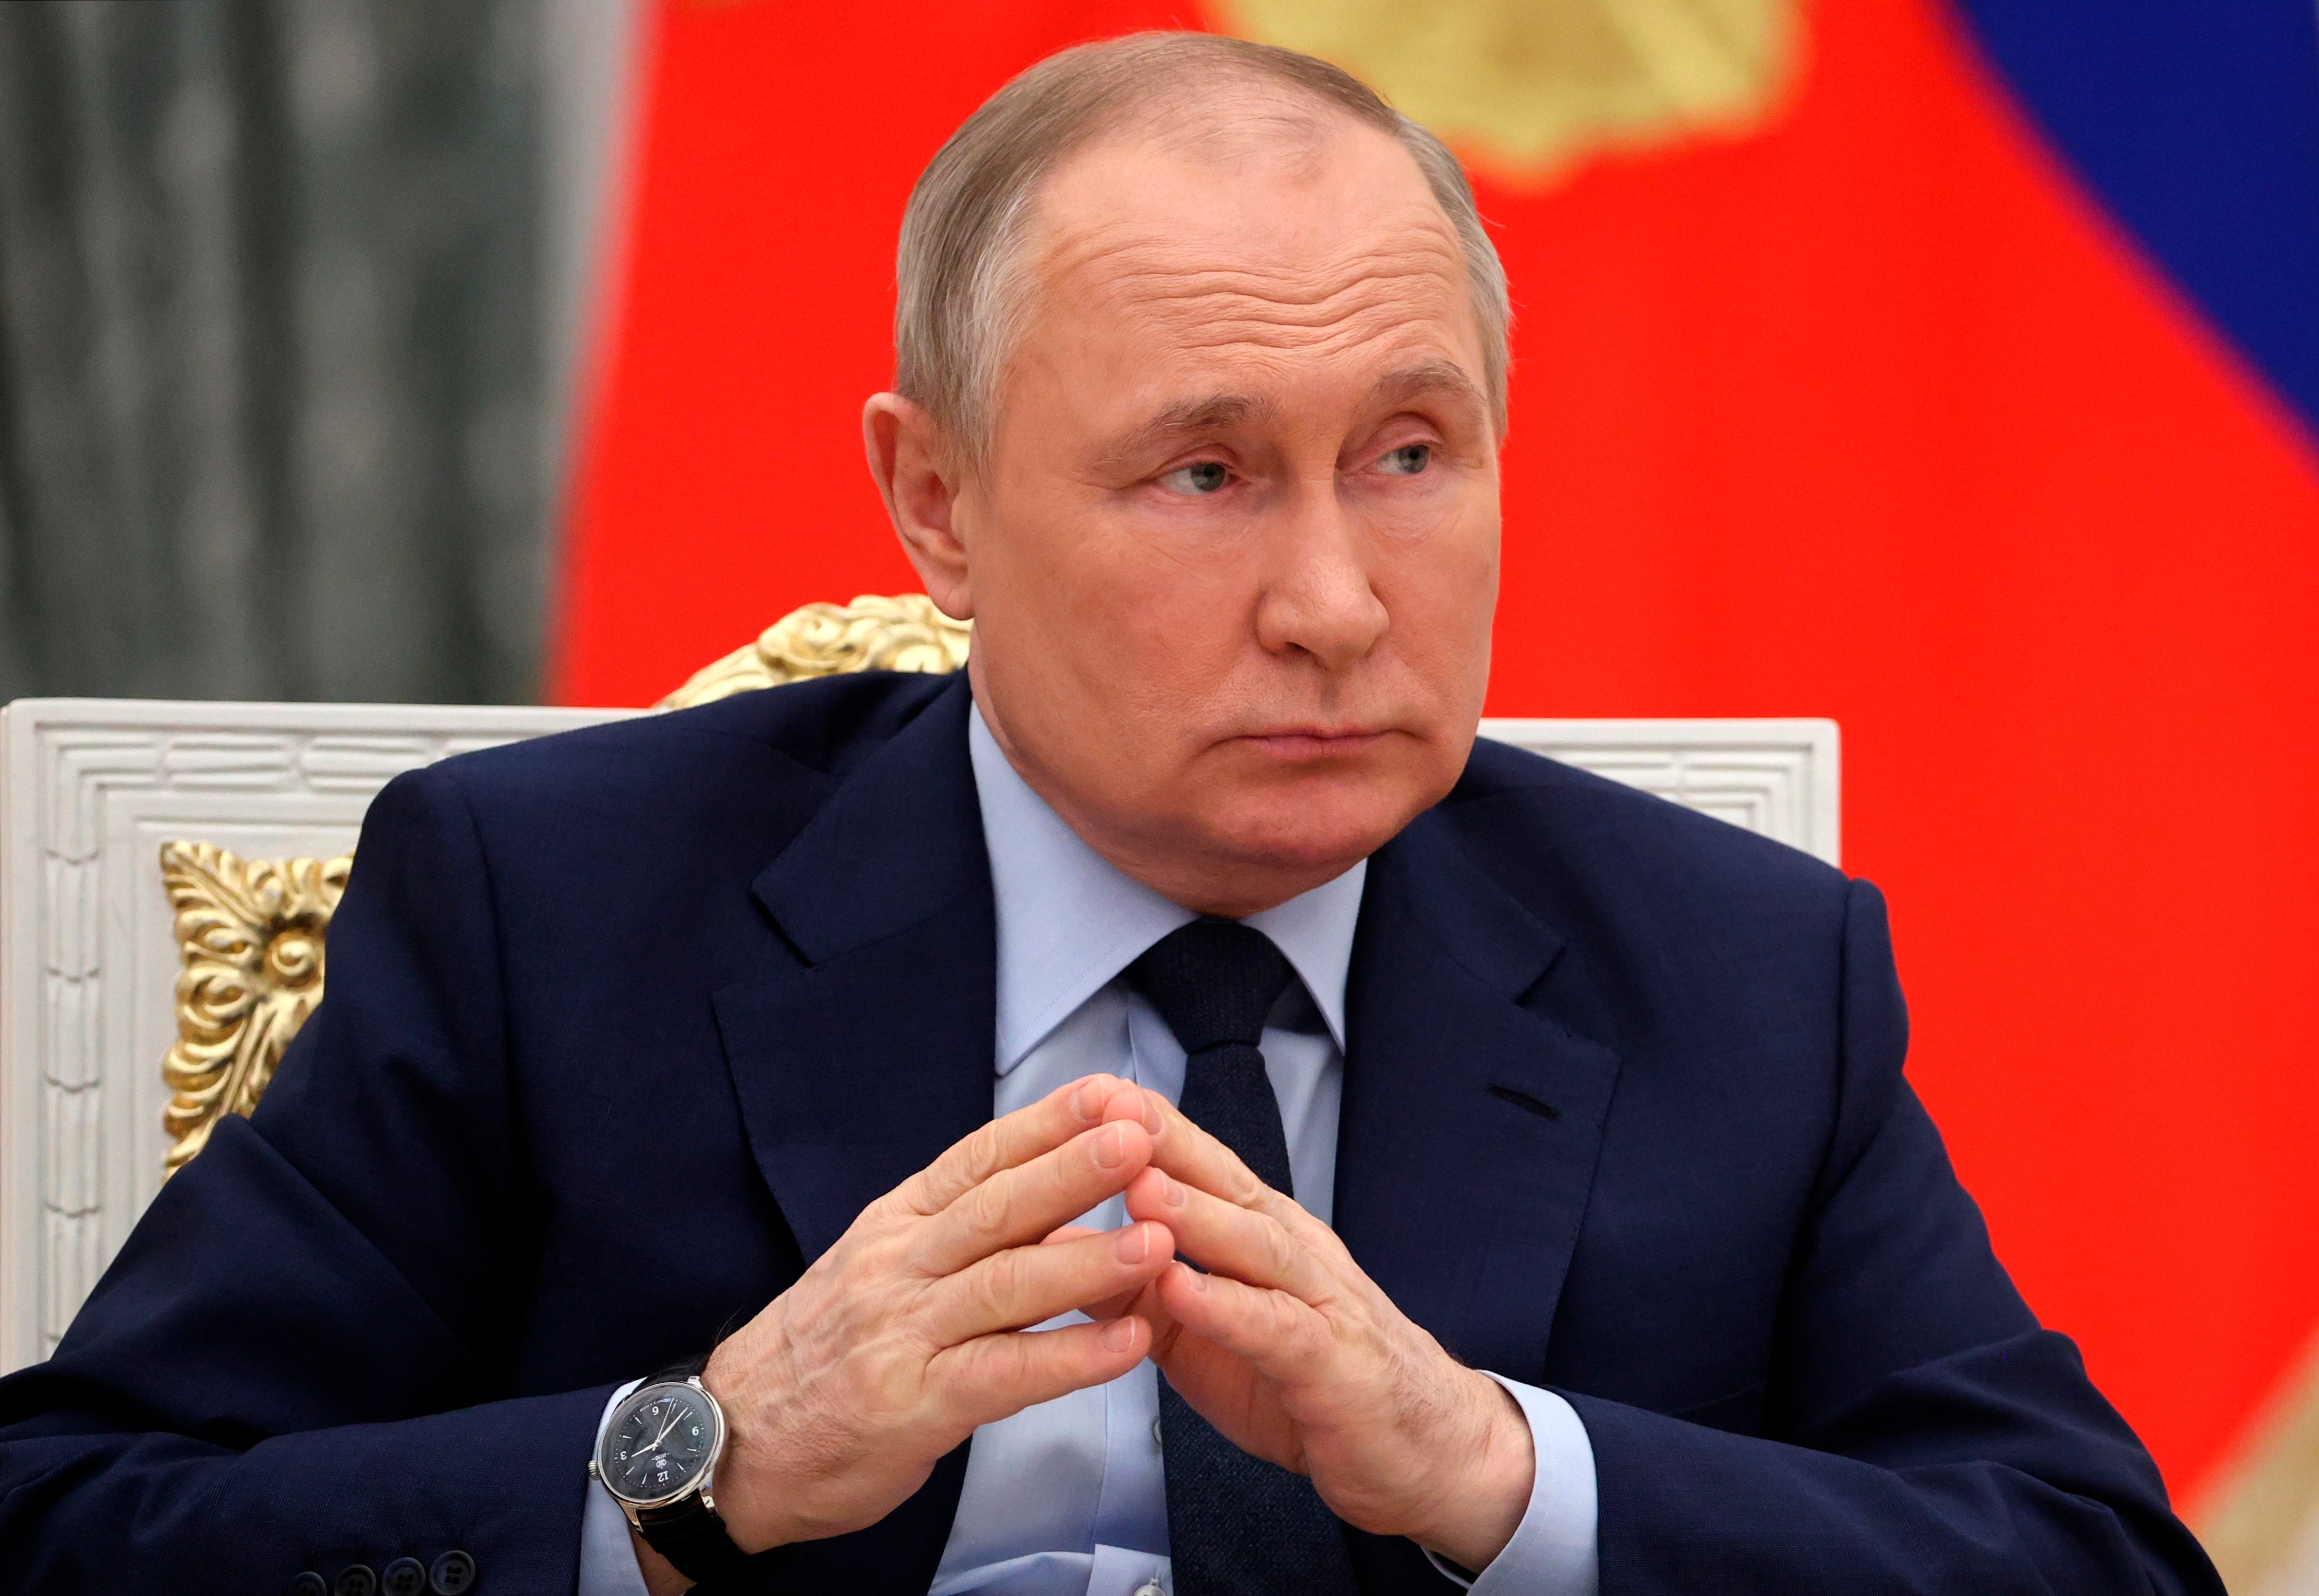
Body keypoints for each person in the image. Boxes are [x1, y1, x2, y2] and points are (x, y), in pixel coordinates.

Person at [0, 30, 2220, 1596]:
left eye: (1412, 455)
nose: (1340, 603)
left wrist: (1492, 1474)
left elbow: (2089, 1564)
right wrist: (695, 1462)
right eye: (1203, 472)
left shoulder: (1741, 972)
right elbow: (80, 1519)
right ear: (936, 505)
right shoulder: (549, 906)